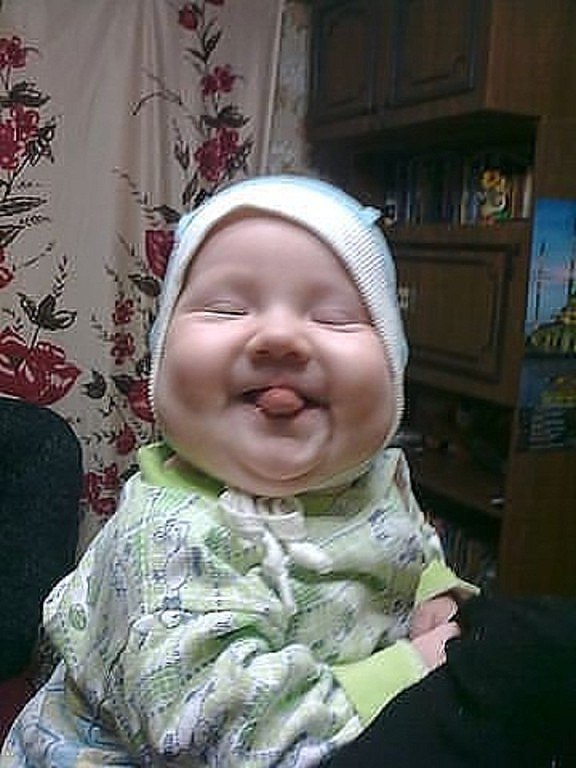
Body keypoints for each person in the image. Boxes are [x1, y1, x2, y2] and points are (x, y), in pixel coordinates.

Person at [2, 175, 574, 767]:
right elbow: (224, 738)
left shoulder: (374, 478)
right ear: (161, 365)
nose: (279, 337)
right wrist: (417, 668)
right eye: (227, 309)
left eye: (333, 317)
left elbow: (407, 550)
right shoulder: (166, 543)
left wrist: (434, 590)